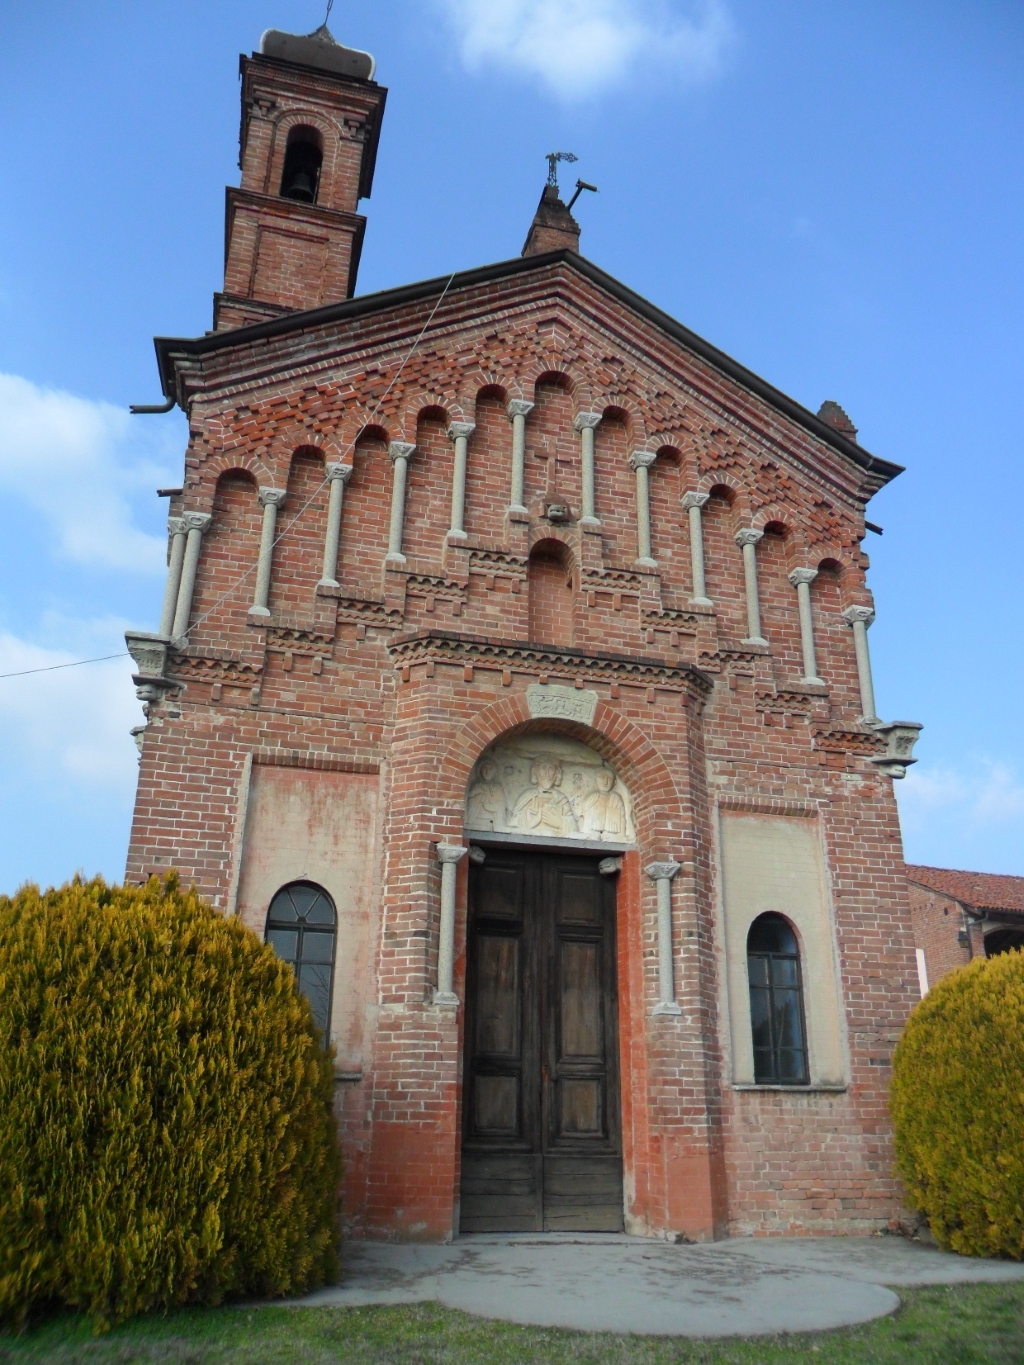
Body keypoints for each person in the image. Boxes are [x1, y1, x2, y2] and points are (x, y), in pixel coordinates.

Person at [510, 758, 577, 836]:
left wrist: (559, 823)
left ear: (556, 774)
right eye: (543, 768)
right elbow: (512, 824)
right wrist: (530, 822)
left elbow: (574, 829)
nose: (547, 774)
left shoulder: (561, 799)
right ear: (536, 772)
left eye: (551, 769)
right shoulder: (527, 797)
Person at [578, 768, 628, 838]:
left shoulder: (616, 799)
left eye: (609, 779)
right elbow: (585, 822)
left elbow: (623, 824)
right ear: (595, 780)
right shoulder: (592, 798)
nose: (606, 782)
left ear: (615, 782)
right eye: (602, 778)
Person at [466, 757, 507, 830]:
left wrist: (489, 805)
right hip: (477, 820)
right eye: (485, 768)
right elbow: (469, 798)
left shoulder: (497, 788)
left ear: (495, 771)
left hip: (493, 820)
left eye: (490, 769)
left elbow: (502, 805)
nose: (487, 772)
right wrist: (478, 798)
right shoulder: (476, 786)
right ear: (480, 770)